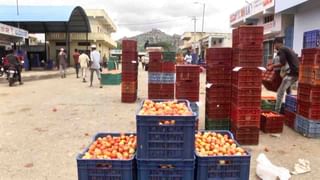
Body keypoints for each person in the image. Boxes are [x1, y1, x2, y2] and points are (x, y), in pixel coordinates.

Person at [269, 37, 299, 113]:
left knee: (280, 92)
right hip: (296, 72)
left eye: (274, 45)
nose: (274, 47)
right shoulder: (288, 49)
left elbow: (283, 63)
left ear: (277, 43)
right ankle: (290, 108)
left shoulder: (282, 49)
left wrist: (272, 66)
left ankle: (276, 111)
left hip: (292, 73)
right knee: (288, 90)